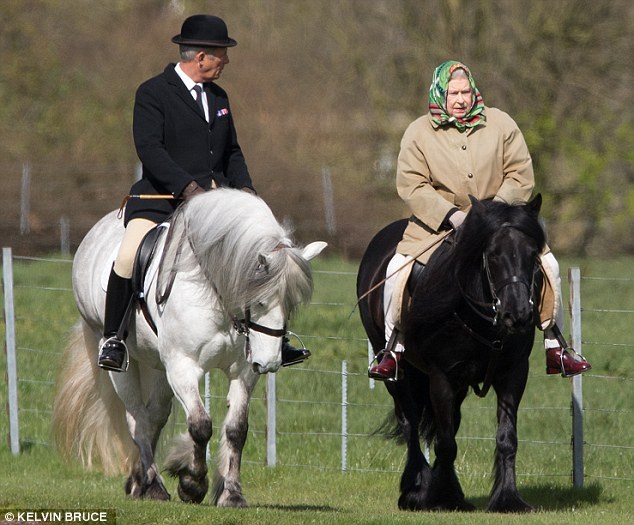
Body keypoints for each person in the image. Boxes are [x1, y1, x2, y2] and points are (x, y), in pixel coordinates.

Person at [98, 14, 310, 372]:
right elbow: (150, 149)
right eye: (221, 53)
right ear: (200, 57)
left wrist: (247, 193)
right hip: (160, 201)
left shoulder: (219, 97)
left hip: (214, 208)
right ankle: (114, 339)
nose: (226, 60)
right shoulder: (152, 93)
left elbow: (232, 152)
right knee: (128, 256)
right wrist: (187, 187)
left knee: (262, 258)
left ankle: (275, 340)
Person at [368, 60, 591, 381]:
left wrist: (493, 212)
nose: (460, 100)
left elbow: (521, 175)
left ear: (474, 92)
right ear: (439, 94)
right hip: (439, 226)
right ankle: (394, 348)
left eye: (465, 92)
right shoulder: (417, 132)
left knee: (549, 264)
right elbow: (412, 185)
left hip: (499, 223)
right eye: (453, 93)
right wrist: (452, 215)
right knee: (397, 271)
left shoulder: (501, 124)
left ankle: (555, 345)